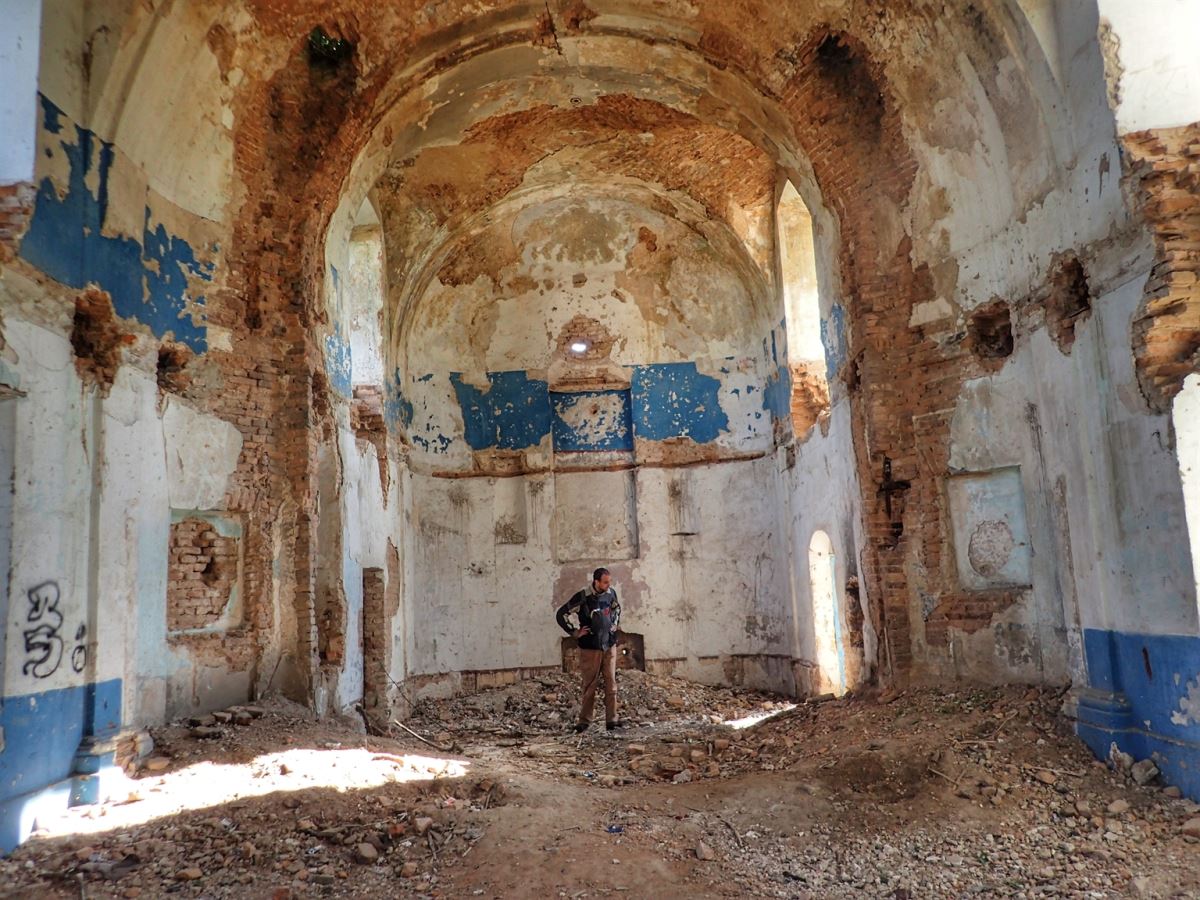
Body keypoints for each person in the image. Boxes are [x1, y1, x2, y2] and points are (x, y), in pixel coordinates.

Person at [555, 567, 624, 732]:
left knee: (611, 684)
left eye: (609, 581)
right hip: (590, 648)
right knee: (589, 686)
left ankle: (612, 720)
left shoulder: (611, 593)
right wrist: (574, 632)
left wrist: (614, 623)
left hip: (609, 645)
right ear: (596, 582)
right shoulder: (582, 597)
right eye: (605, 582)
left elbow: (616, 608)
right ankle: (584, 722)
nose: (609, 584)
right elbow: (561, 614)